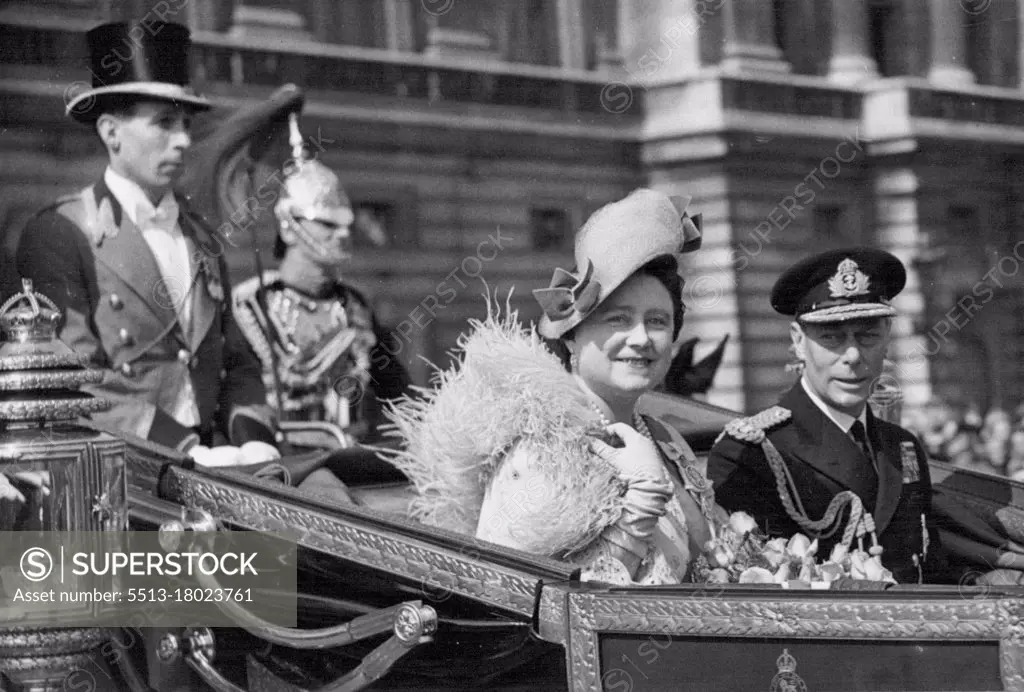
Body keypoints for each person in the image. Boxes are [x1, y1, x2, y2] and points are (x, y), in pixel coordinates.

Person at [381, 189, 724, 584]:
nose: (641, 338)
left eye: (658, 321)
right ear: (572, 336)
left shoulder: (668, 441)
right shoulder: (539, 451)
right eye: (618, 320)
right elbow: (511, 595)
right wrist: (636, 512)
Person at [16, 21, 278, 467]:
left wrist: (250, 436)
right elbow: (70, 379)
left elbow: (237, 362)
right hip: (121, 468)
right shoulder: (63, 232)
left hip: (221, 463)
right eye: (163, 124)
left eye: (185, 124)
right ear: (111, 133)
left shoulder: (200, 238)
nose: (182, 140)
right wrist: (184, 449)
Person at [706, 248, 947, 584]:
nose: (851, 355)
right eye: (831, 337)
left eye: (868, 336)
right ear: (798, 342)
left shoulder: (902, 446)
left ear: (887, 341)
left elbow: (930, 572)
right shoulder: (750, 452)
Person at [229, 105, 412, 446]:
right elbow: (241, 404)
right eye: (327, 224)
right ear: (288, 227)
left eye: (345, 225)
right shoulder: (250, 306)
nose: (342, 235)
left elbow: (398, 394)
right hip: (280, 466)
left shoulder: (355, 307)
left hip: (354, 459)